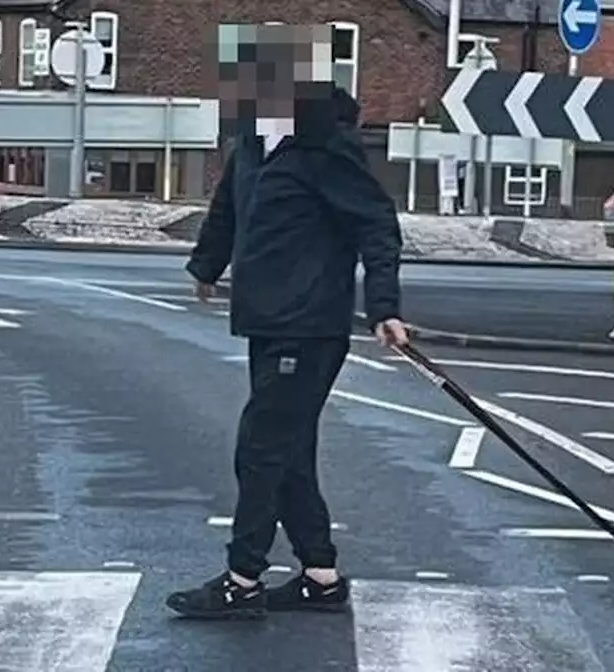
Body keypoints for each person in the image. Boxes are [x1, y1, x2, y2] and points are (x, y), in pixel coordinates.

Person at [165, 81, 408, 619]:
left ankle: (242, 579)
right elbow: (228, 207)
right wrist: (207, 264)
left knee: (260, 448)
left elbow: (377, 226)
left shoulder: (325, 147)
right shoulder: (251, 143)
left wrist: (386, 306)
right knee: (289, 452)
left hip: (310, 324)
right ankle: (320, 577)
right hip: (265, 319)